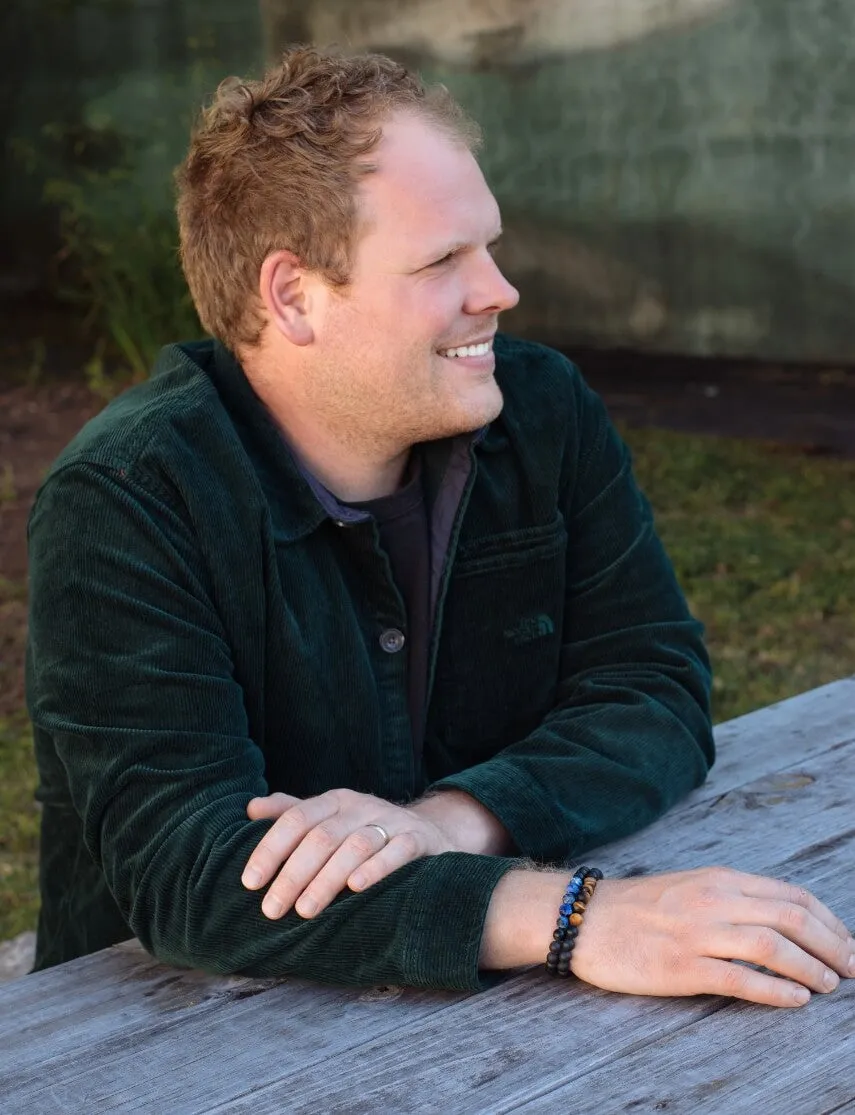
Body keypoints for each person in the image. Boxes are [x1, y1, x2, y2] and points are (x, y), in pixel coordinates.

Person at [26, 47, 852, 1007]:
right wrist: (576, 915)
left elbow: (653, 686)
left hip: (501, 1035)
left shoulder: (539, 410)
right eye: (442, 260)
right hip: (160, 1042)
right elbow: (190, 869)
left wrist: (453, 822)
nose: (497, 289)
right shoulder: (129, 497)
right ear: (292, 295)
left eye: (488, 246)